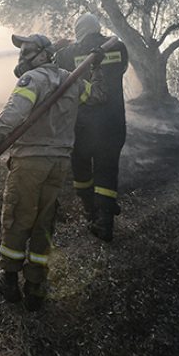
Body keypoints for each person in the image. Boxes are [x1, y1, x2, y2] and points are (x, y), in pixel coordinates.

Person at [0, 33, 105, 311]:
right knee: (43, 222)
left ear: (45, 54)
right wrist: (96, 69)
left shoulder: (33, 79)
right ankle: (35, 286)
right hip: (58, 163)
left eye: (28, 51)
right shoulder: (71, 80)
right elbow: (96, 96)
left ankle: (9, 281)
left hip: (31, 161)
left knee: (17, 217)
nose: (22, 56)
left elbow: (13, 111)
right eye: (21, 51)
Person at [54, 14, 129, 242]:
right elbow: (122, 68)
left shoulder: (69, 54)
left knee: (81, 167)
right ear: (97, 28)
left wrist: (64, 46)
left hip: (82, 124)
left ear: (78, 31)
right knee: (107, 169)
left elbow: (55, 66)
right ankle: (105, 222)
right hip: (114, 122)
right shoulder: (118, 47)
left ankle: (90, 211)